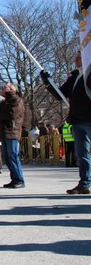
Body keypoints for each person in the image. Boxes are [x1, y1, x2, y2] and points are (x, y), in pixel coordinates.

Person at [41, 52, 91, 194]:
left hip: (89, 118)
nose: (76, 60)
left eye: (79, 57)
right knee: (82, 155)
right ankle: (85, 183)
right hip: (77, 120)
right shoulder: (74, 77)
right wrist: (48, 82)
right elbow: (60, 94)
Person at [0, 83, 26, 189]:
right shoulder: (4, 103)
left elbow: (10, 115)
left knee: (13, 156)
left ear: (11, 89)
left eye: (5, 87)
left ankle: (19, 180)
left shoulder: (17, 101)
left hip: (12, 132)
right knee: (7, 158)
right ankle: (14, 179)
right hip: (4, 133)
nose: (3, 89)